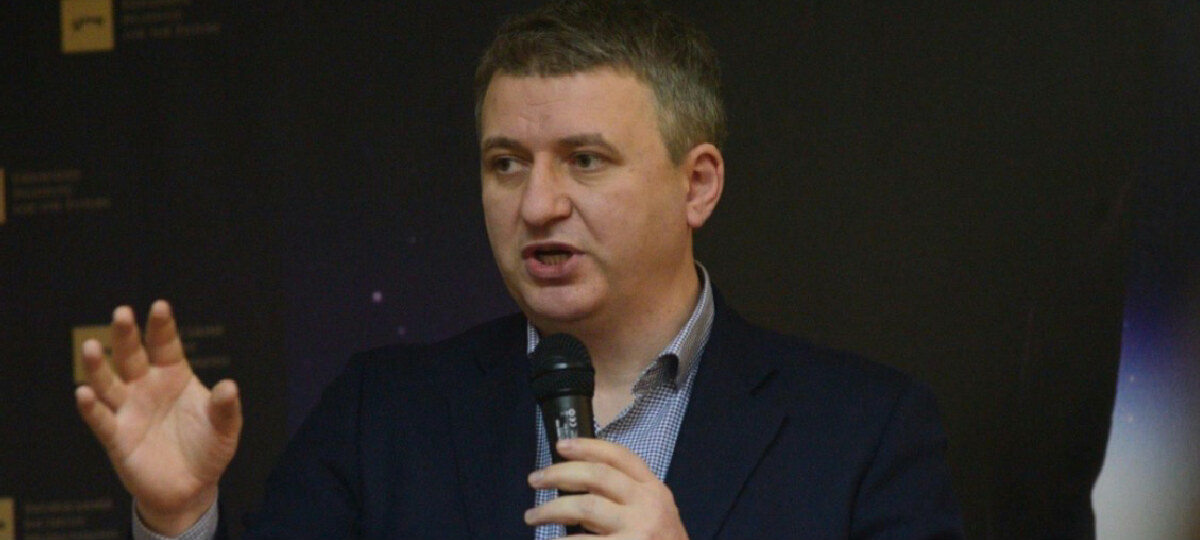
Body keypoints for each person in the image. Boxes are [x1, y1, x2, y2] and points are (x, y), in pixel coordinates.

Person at [74, 1, 963, 538]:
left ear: (696, 184)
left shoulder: (862, 432)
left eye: (585, 160)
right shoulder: (383, 416)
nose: (537, 205)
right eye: (506, 163)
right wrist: (179, 520)